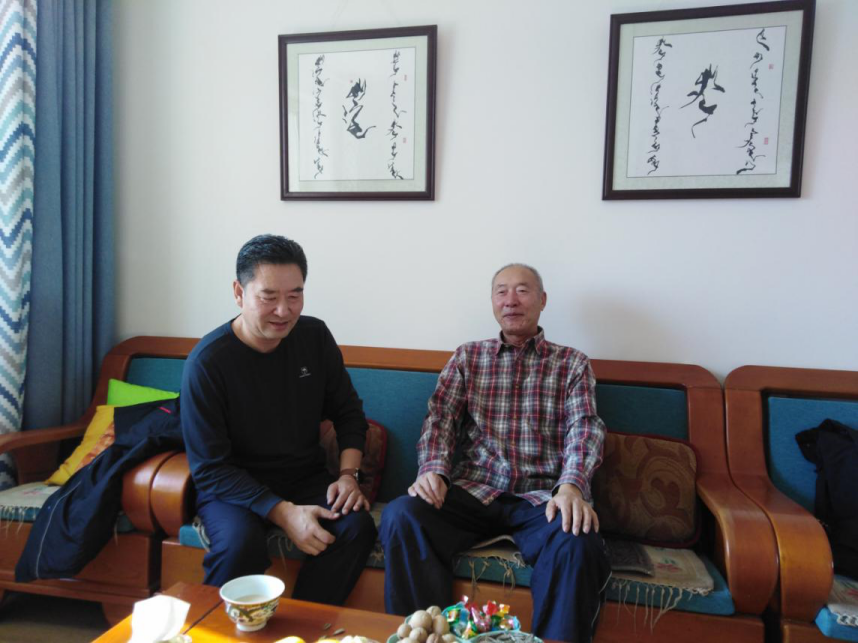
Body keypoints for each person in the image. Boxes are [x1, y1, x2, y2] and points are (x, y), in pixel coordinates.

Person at [380, 263, 610, 643]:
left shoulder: (572, 363)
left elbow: (584, 428)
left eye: (522, 290)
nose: (510, 300)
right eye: (501, 291)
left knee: (577, 541)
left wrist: (572, 486)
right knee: (403, 514)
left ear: (542, 300)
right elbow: (440, 418)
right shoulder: (468, 357)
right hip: (475, 491)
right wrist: (434, 470)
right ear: (492, 301)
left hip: (542, 500)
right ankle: (424, 636)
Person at [181, 234, 377, 605]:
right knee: (240, 545)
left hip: (303, 478)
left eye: (295, 295)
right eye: (268, 297)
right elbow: (209, 469)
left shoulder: (314, 337)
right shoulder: (207, 363)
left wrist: (348, 477)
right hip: (233, 488)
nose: (284, 311)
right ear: (239, 293)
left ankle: (305, 620)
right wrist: (285, 514)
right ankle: (215, 627)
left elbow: (349, 412)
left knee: (355, 526)